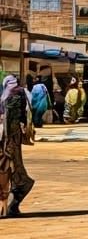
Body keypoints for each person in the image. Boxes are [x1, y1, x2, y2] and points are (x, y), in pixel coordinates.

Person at [0, 75, 35, 217]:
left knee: (13, 173)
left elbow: (10, 122)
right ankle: (10, 206)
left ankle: (9, 207)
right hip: (11, 140)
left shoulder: (13, 96)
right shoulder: (19, 94)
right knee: (14, 173)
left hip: (9, 141)